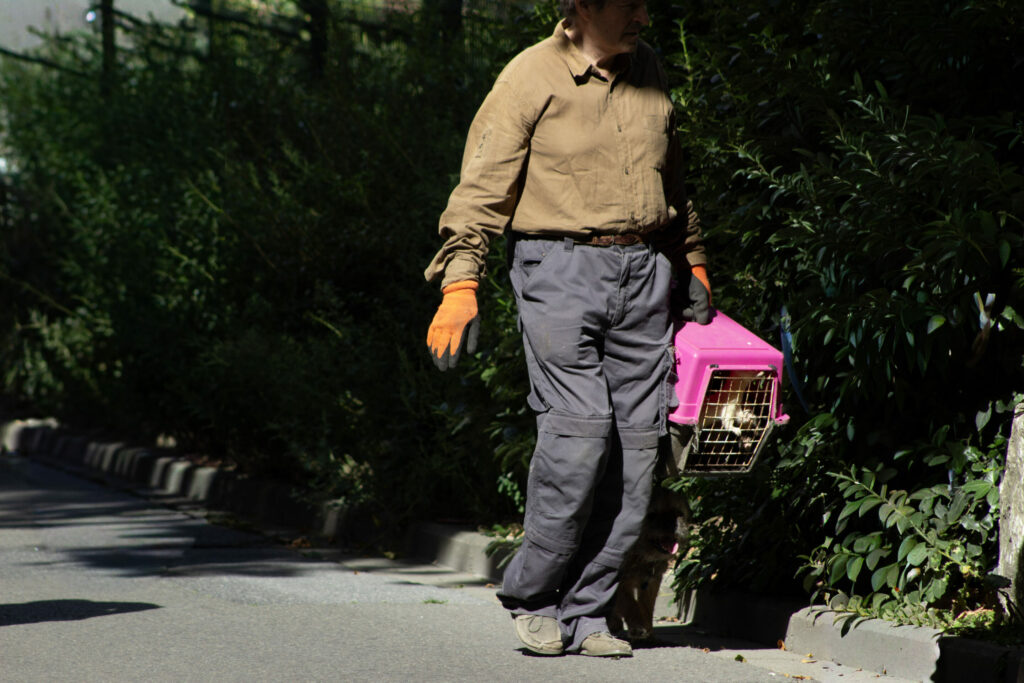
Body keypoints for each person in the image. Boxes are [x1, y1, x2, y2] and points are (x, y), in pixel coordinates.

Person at [424, 0, 711, 658]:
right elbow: (482, 186)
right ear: (583, 5)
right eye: (630, 3)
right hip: (558, 268)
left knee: (640, 446)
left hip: (644, 272)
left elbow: (675, 177)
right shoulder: (530, 76)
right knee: (580, 430)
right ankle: (534, 594)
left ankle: (590, 609)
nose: (645, 13)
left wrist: (692, 260)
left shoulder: (649, 72)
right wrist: (461, 280)